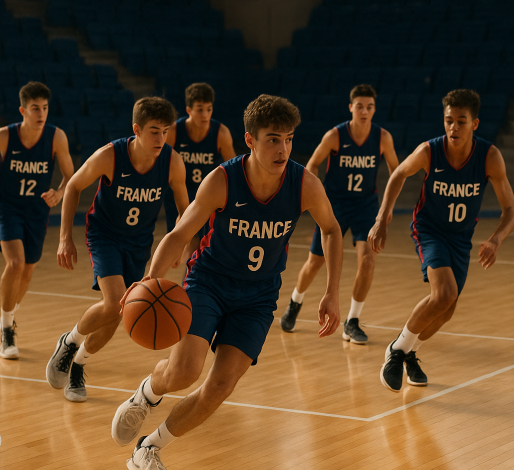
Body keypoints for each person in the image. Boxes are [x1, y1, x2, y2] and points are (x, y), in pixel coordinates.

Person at [110, 94, 343, 470]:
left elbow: (331, 230)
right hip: (209, 282)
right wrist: (150, 278)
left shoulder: (305, 185)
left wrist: (332, 292)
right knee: (184, 372)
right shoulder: (223, 180)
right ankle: (146, 394)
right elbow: (179, 233)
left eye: (288, 139)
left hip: (259, 296)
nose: (282, 149)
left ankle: (147, 448)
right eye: (273, 139)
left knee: (219, 387)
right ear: (250, 140)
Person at [368, 89, 514, 393]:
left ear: (474, 124)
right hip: (429, 230)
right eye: (449, 120)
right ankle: (397, 351)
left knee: (446, 310)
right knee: (444, 292)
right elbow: (398, 174)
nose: (453, 127)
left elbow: (511, 210)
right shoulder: (429, 151)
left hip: (461, 238)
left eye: (461, 121)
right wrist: (382, 218)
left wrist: (495, 240)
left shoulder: (489, 157)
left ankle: (410, 353)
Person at [46, 97, 189, 402]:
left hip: (139, 242)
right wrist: (64, 238)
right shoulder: (110, 155)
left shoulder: (172, 162)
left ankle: (78, 364)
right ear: (136, 129)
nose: (160, 138)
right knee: (114, 303)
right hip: (105, 235)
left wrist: (182, 243)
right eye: (154, 131)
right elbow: (73, 186)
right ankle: (70, 341)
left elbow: (184, 210)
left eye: (165, 131)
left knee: (120, 311)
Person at [280, 84, 399, 343]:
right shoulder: (335, 135)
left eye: (369, 107)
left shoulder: (383, 138)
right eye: (360, 106)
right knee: (315, 262)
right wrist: (315, 199)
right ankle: (295, 301)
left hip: (366, 206)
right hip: (334, 205)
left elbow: (396, 172)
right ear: (351, 108)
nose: (364, 111)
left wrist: (386, 208)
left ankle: (352, 321)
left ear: (374, 110)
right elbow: (312, 165)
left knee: (367, 260)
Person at [0, 82, 75, 359]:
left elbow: (70, 176)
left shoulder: (56, 137)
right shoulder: (4, 136)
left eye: (45, 108)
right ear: (23, 111)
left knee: (27, 270)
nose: (41, 114)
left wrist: (59, 192)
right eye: (35, 108)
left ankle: (9, 315)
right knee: (15, 263)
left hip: (37, 209)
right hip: (7, 206)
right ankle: (6, 330)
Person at [162, 82, 235, 268]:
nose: (205, 115)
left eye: (209, 109)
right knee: (177, 246)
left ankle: (189, 281)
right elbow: (161, 165)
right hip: (178, 193)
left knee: (198, 246)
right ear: (189, 110)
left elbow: (234, 169)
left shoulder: (221, 133)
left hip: (206, 195)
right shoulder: (174, 132)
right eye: (200, 109)